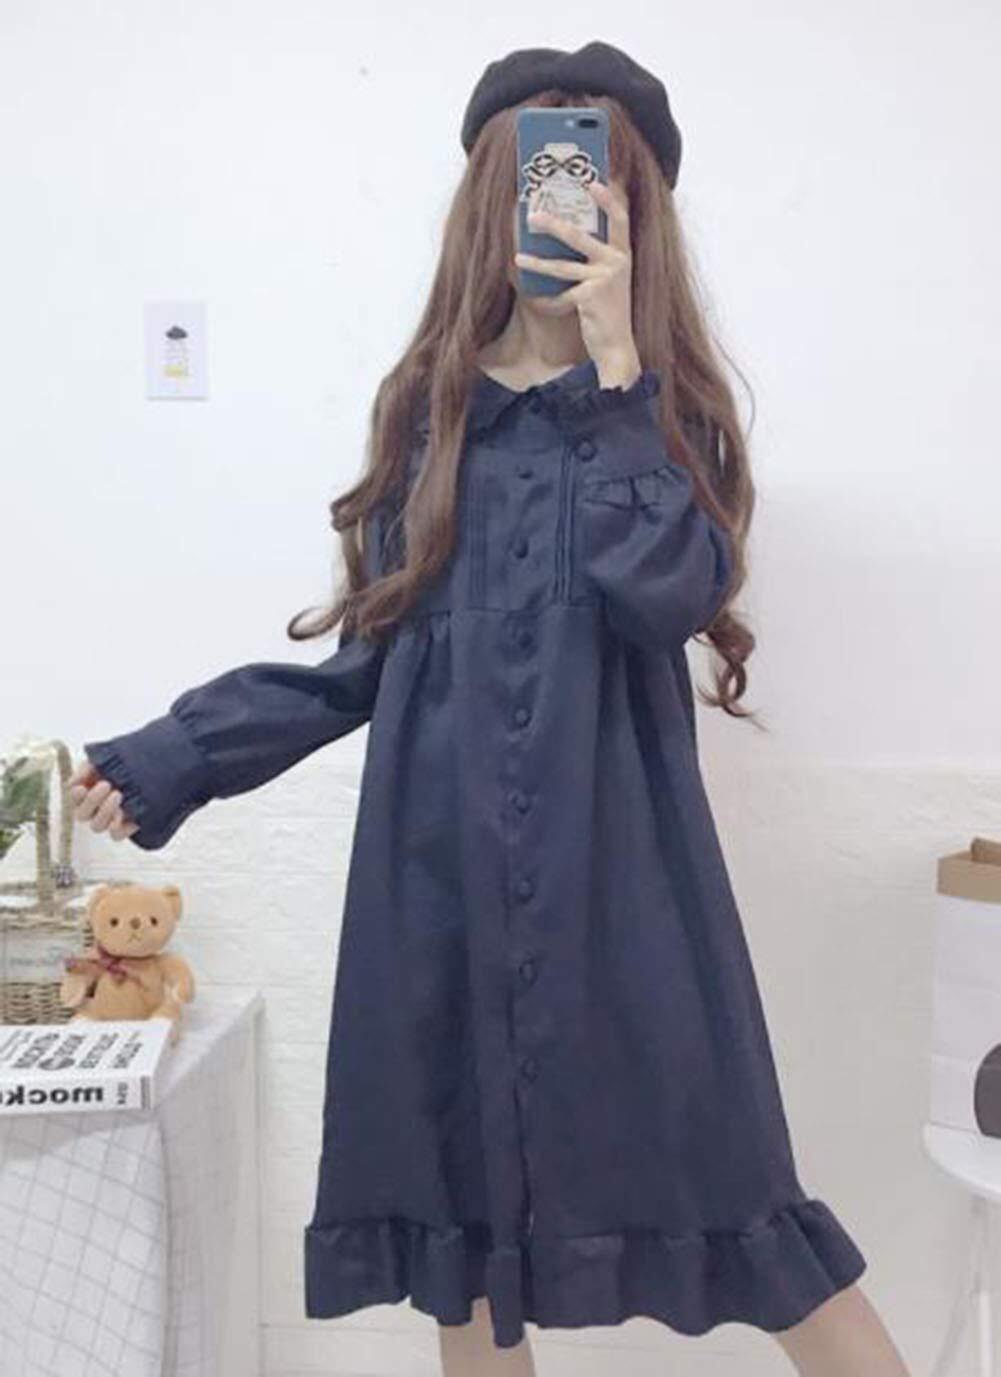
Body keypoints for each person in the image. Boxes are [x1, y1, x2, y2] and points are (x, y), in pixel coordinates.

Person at [69, 39, 912, 1377]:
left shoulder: (669, 416)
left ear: (634, 210)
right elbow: (367, 657)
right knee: (458, 1238)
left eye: (591, 179)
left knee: (749, 1213)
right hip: (439, 887)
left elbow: (669, 596)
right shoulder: (428, 420)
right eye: (536, 175)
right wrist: (179, 754)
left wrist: (618, 373)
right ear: (489, 201)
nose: (561, 203)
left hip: (629, 897)